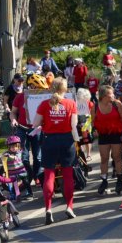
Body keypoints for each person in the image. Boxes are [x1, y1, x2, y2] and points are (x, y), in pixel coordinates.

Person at [32, 77, 79, 224]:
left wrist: (46, 123)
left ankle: (48, 209)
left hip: (49, 140)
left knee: (49, 175)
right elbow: (74, 125)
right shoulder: (71, 103)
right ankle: (69, 207)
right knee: (68, 175)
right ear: (65, 89)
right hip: (66, 140)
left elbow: (35, 123)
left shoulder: (44, 104)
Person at [93, 85, 122, 196]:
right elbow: (92, 121)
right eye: (111, 93)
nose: (113, 95)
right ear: (104, 96)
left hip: (117, 134)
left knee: (117, 157)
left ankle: (119, 181)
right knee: (104, 159)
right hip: (103, 135)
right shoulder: (95, 106)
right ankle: (104, 181)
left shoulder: (117, 104)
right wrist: (94, 130)